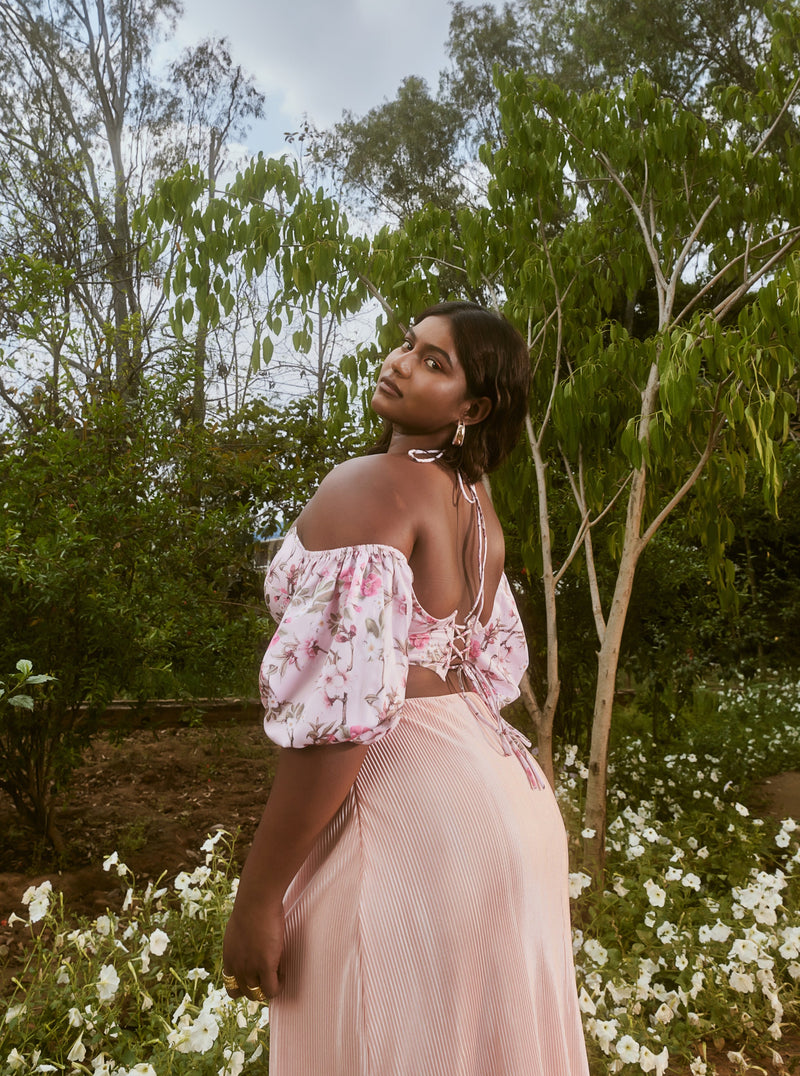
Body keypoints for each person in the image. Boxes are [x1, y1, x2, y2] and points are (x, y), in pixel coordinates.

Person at [222, 301, 590, 1075]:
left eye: (434, 363)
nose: (400, 361)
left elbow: (343, 721)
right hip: (503, 803)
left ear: (472, 408)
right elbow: (481, 667)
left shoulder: (372, 486)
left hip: (410, 820)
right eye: (407, 345)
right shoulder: (477, 503)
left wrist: (258, 898)